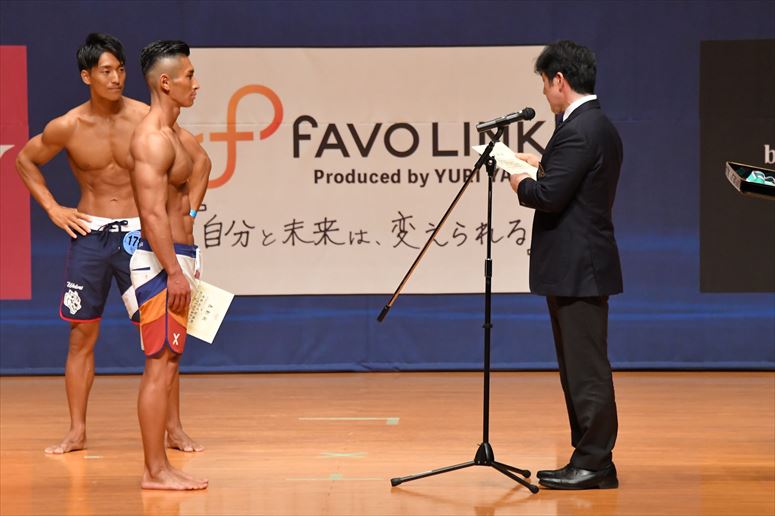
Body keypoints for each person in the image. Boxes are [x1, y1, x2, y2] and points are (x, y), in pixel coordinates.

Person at [14, 33, 209, 455]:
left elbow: (200, 161)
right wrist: (53, 209)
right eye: (105, 71)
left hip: (142, 235)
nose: (116, 78)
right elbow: (24, 160)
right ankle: (76, 431)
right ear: (87, 76)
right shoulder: (68, 126)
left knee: (162, 340)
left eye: (120, 69)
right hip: (90, 234)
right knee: (81, 335)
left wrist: (189, 215)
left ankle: (174, 429)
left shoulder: (146, 119)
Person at [508, 40, 623, 490]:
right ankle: (587, 457)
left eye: (544, 82)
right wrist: (542, 164)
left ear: (560, 80)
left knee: (586, 369)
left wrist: (518, 177)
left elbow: (549, 196)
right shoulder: (592, 125)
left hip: (579, 268)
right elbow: (573, 181)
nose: (543, 92)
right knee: (577, 368)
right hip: (577, 266)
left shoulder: (579, 128)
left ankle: (595, 462)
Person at [129, 40, 208, 490]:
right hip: (161, 264)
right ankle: (154, 471)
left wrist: (191, 214)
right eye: (189, 76)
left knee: (171, 363)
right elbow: (151, 215)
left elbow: (204, 165)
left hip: (180, 257)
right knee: (158, 365)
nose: (196, 84)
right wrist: (174, 271)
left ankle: (161, 466)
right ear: (165, 82)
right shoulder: (151, 139)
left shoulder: (177, 134)